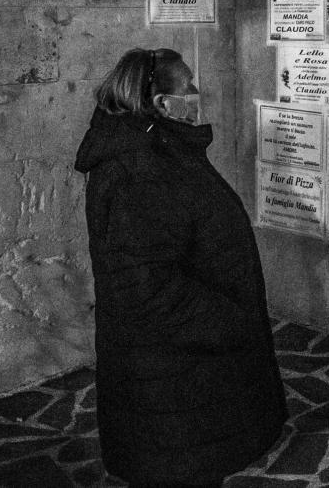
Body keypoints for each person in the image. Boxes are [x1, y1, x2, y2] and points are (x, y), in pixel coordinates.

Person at [74, 48, 285, 487]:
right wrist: (228, 321)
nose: (196, 93)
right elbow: (144, 286)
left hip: (188, 369)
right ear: (161, 103)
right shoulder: (137, 169)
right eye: (187, 86)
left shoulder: (160, 149)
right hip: (174, 374)